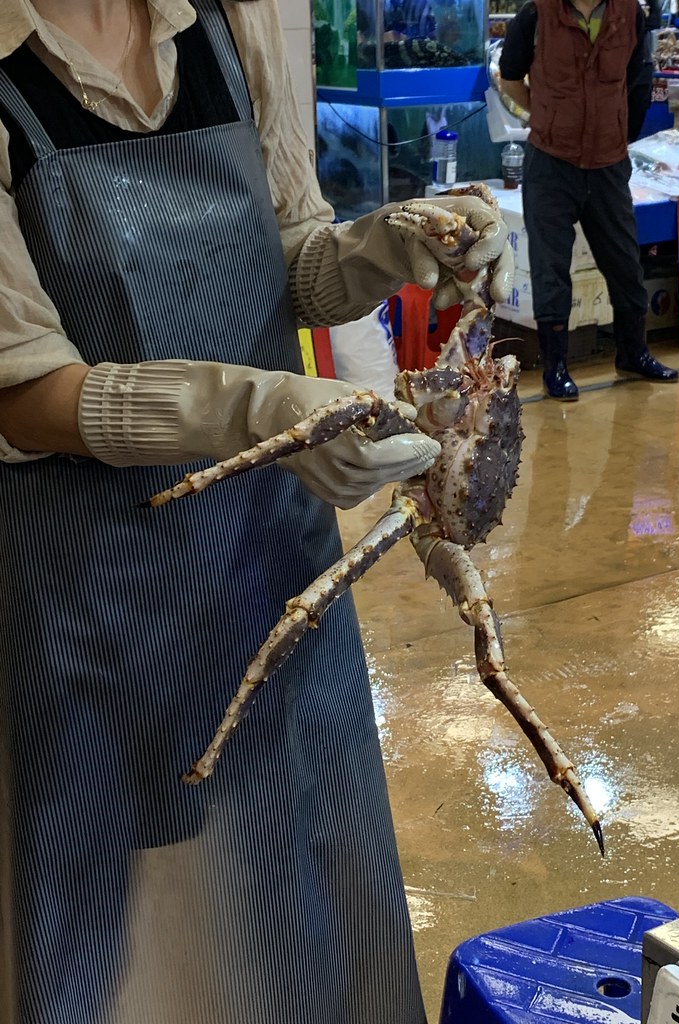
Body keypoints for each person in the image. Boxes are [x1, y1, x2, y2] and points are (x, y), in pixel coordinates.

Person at [0, 2, 514, 1022]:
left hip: (273, 552)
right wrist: (254, 408)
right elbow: (18, 390)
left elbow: (288, 259)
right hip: (89, 578)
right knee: (133, 928)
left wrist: (383, 245)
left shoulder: (236, 18)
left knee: (307, 884)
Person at [499, 0, 678, 401]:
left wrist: (618, 133)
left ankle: (633, 353)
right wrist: (546, 115)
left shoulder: (629, 13)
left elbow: (636, 80)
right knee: (550, 267)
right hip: (550, 162)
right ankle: (555, 367)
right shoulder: (536, 14)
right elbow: (509, 78)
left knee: (625, 260)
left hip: (608, 163)